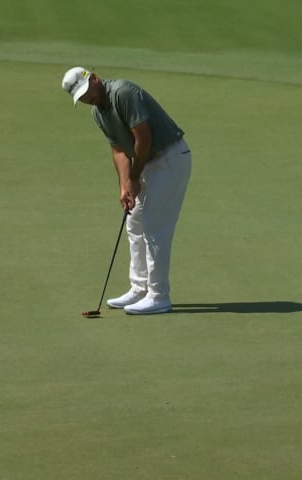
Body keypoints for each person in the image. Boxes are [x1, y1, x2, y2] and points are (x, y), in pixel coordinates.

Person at [61, 67, 192, 315]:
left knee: (154, 226)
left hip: (170, 159)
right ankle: (139, 288)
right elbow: (119, 150)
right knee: (134, 223)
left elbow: (144, 137)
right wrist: (124, 185)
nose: (89, 99)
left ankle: (159, 295)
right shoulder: (98, 113)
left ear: (95, 78)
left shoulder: (123, 92)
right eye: (83, 97)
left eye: (87, 91)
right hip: (150, 164)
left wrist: (134, 176)